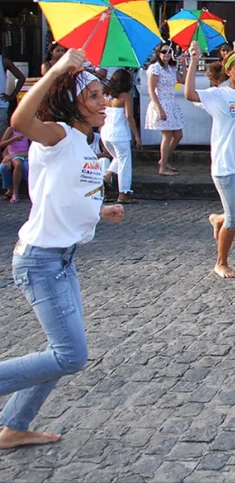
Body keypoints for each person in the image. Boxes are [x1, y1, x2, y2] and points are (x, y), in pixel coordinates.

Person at [0, 47, 125, 450]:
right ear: (73, 105)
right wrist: (58, 68)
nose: (103, 101)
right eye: (92, 96)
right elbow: (20, 119)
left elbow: (68, 192)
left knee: (61, 350)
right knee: (70, 356)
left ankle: (14, 426)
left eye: (100, 93)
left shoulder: (85, 142)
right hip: (39, 260)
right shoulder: (58, 134)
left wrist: (100, 209)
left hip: (63, 260)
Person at [184, 43, 235, 278]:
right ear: (228, 71)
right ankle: (221, 262)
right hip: (224, 165)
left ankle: (217, 218)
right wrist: (193, 61)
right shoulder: (218, 95)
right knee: (234, 219)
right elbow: (189, 94)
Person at [99, 69, 141, 205]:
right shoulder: (126, 96)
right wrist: (136, 135)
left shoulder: (106, 95)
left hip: (106, 132)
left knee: (118, 158)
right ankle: (123, 192)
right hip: (120, 133)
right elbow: (129, 116)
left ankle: (106, 177)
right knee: (124, 162)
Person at [144, 42, 185, 177]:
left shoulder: (171, 68)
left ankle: (164, 159)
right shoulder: (155, 68)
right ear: (158, 53)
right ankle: (162, 167)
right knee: (167, 136)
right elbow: (151, 90)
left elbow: (183, 80)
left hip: (171, 104)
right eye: (164, 51)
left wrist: (184, 64)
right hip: (161, 103)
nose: (167, 54)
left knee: (178, 135)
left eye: (169, 52)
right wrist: (159, 109)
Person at [0, 127, 30, 202]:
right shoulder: (11, 130)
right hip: (12, 155)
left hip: (24, 155)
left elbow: (32, 148)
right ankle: (10, 191)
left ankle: (16, 192)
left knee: (20, 164)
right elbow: (2, 145)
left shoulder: (29, 130)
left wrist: (14, 155)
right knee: (3, 167)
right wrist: (13, 139)